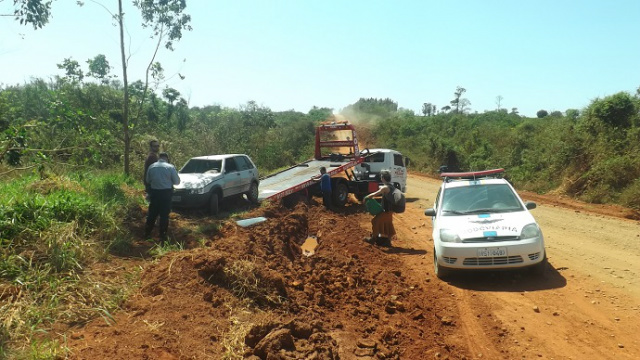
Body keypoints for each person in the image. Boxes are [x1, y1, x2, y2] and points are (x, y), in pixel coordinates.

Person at [145, 152, 180, 241]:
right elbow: (177, 182)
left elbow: (148, 180)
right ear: (166, 158)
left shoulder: (152, 167)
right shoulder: (170, 167)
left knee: (152, 213)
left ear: (159, 158)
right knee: (164, 215)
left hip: (154, 193)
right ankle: (162, 235)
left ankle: (147, 233)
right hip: (166, 194)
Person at [363, 170, 401, 247]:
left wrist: (366, 197)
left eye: (381, 177)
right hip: (390, 210)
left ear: (383, 178)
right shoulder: (391, 186)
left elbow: (375, 194)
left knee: (375, 221)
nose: (380, 178)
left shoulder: (385, 188)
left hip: (386, 211)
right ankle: (388, 241)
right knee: (388, 224)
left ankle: (373, 239)